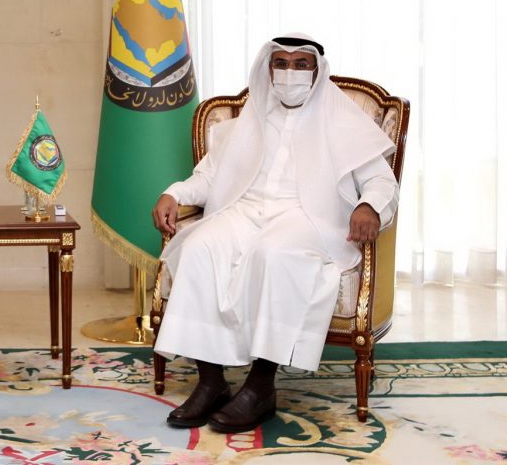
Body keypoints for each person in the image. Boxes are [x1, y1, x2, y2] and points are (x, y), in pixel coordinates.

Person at [150, 33, 398, 433]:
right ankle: (211, 382)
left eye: (301, 64)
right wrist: (174, 194)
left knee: (273, 253)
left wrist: (368, 205)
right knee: (199, 246)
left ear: (316, 71)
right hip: (244, 210)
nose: (289, 72)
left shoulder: (342, 122)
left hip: (307, 217)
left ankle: (261, 386)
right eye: (280, 63)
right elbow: (209, 177)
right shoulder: (247, 121)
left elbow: (382, 183)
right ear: (268, 68)